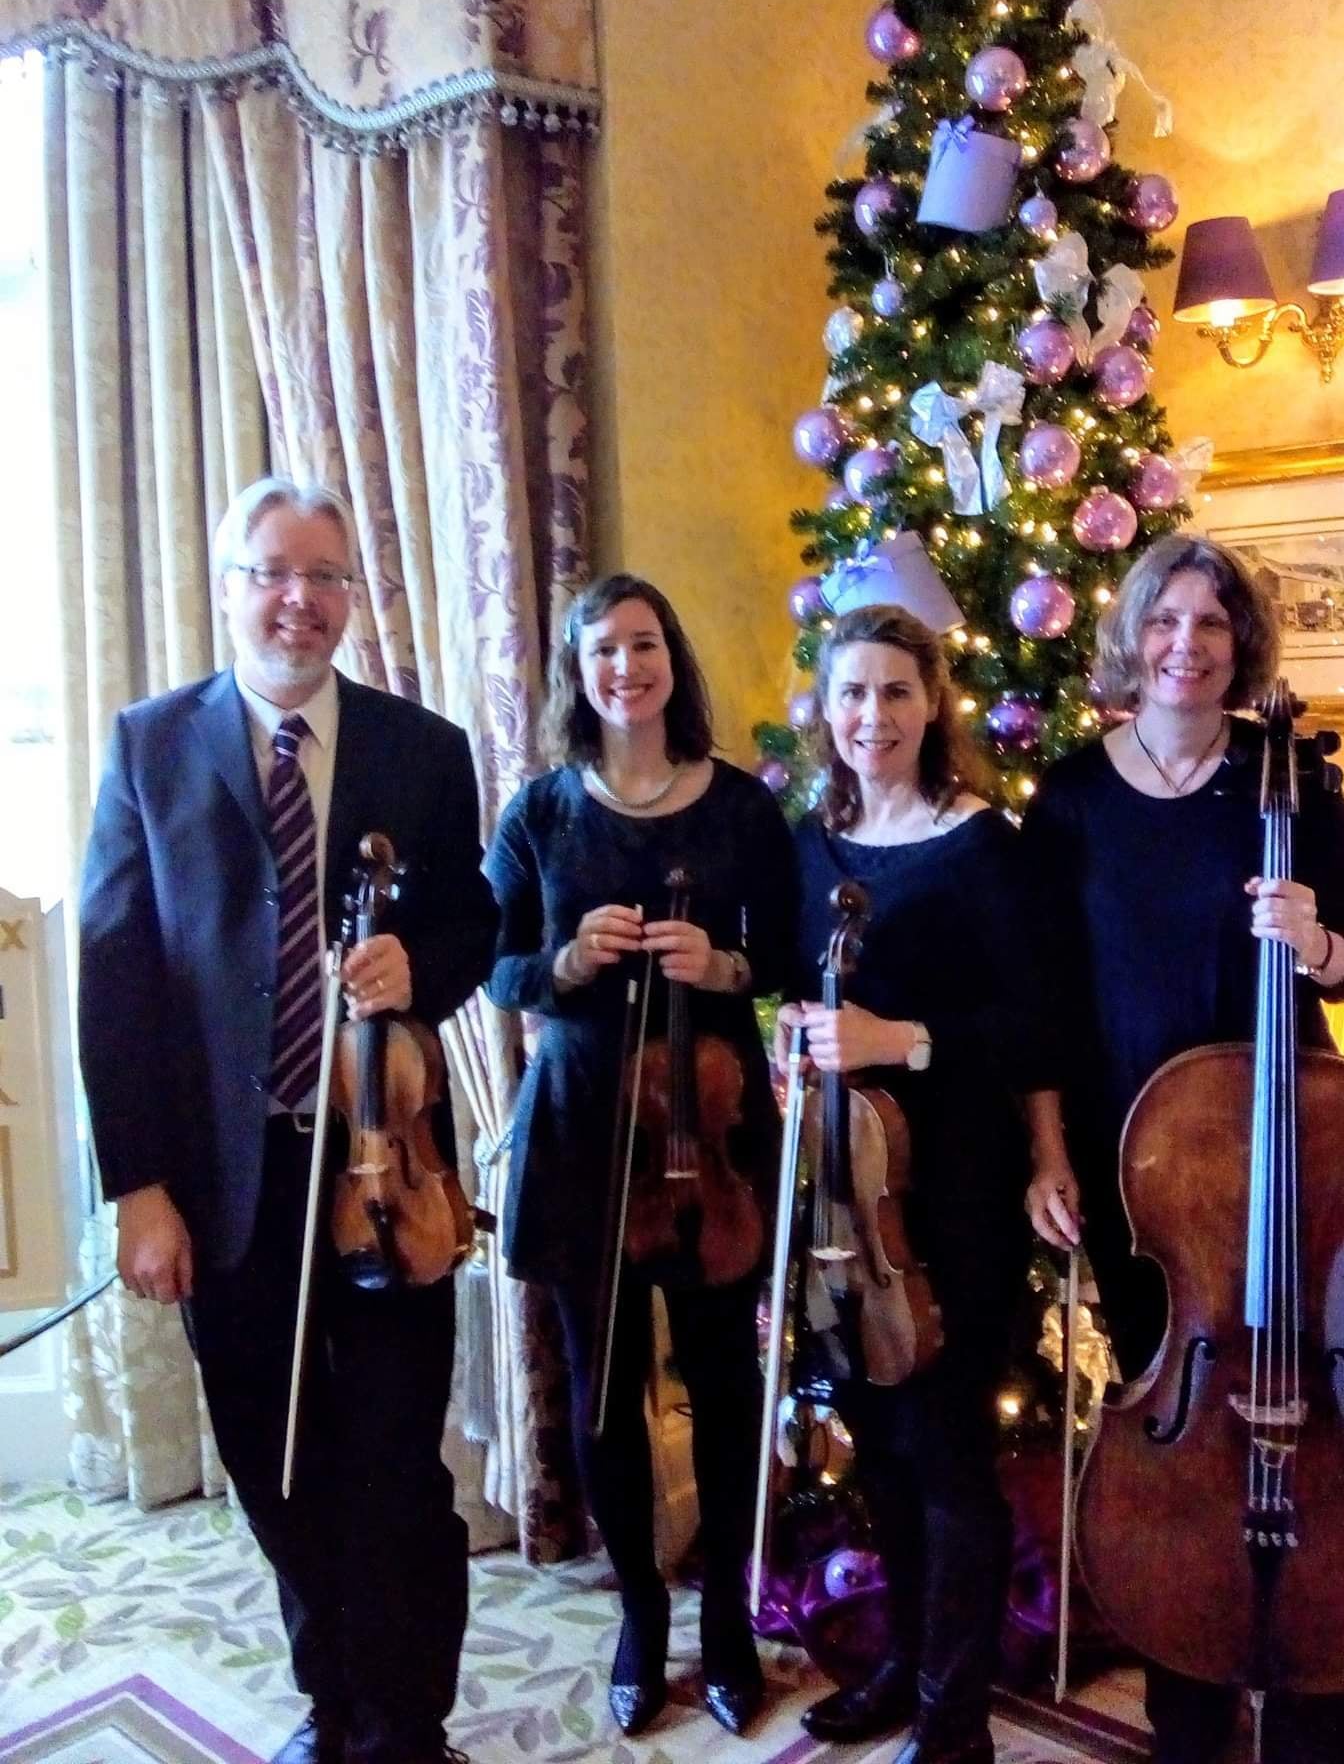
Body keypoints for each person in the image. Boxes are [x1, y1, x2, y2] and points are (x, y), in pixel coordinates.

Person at [78, 477, 497, 1764]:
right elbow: (116, 972)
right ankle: (340, 1701)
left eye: (323, 576)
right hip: (228, 1172)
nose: (298, 601)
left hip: (382, 1159)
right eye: (273, 572)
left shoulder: (421, 747)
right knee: (278, 1465)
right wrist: (138, 1184)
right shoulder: (150, 743)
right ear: (231, 585)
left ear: (349, 598)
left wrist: (414, 965)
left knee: (395, 1467)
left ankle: (410, 1723)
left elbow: (472, 920)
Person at [1019, 533, 1344, 1764]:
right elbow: (1044, 999)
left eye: (1212, 624)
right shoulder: (1070, 796)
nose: (1187, 643)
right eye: (1166, 619)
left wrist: (1315, 938)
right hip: (1143, 1173)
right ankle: (1192, 1700)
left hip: (1285, 1161)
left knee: (1308, 1419)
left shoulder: (1291, 782)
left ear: (1242, 646)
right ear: (1135, 634)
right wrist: (1048, 1150)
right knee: (1175, 1440)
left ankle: (1314, 1681)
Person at [483, 573, 797, 1741]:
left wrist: (720, 967)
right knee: (603, 1392)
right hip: (579, 1134)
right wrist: (564, 961)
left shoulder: (744, 810)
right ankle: (637, 1616)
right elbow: (496, 963)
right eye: (604, 648)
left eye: (646, 642)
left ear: (675, 658)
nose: (628, 665)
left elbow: (782, 955)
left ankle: (724, 1624)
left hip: (707, 1139)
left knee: (724, 1385)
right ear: (578, 670)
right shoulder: (541, 813)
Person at [778, 603, 1048, 1764]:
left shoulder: (985, 842)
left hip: (958, 1188)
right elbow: (793, 994)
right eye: (850, 694)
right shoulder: (812, 840)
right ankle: (901, 1660)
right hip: (847, 1188)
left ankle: (956, 1719)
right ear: (824, 709)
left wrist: (904, 1040)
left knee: (944, 1448)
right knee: (875, 1439)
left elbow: (1029, 1021)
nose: (870, 715)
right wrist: (796, 1036)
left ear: (933, 700)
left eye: (894, 691)